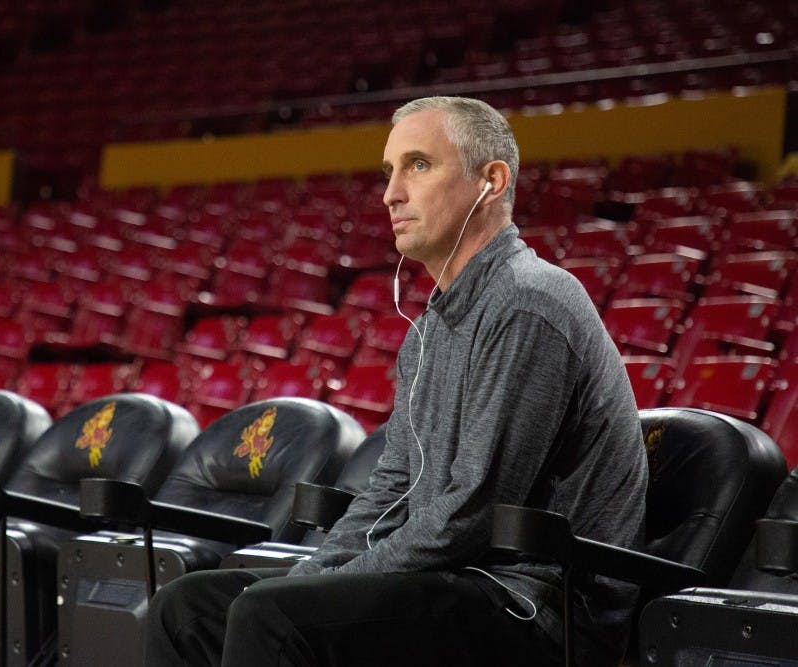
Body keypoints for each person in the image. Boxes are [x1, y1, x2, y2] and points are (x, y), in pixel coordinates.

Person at [144, 96, 648, 666]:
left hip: (532, 605)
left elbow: (471, 512)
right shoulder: (428, 328)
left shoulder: (528, 302)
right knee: (185, 607)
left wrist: (328, 585)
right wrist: (315, 571)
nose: (391, 194)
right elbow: (392, 489)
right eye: (389, 172)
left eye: (418, 165)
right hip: (450, 580)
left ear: (491, 180)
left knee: (274, 615)